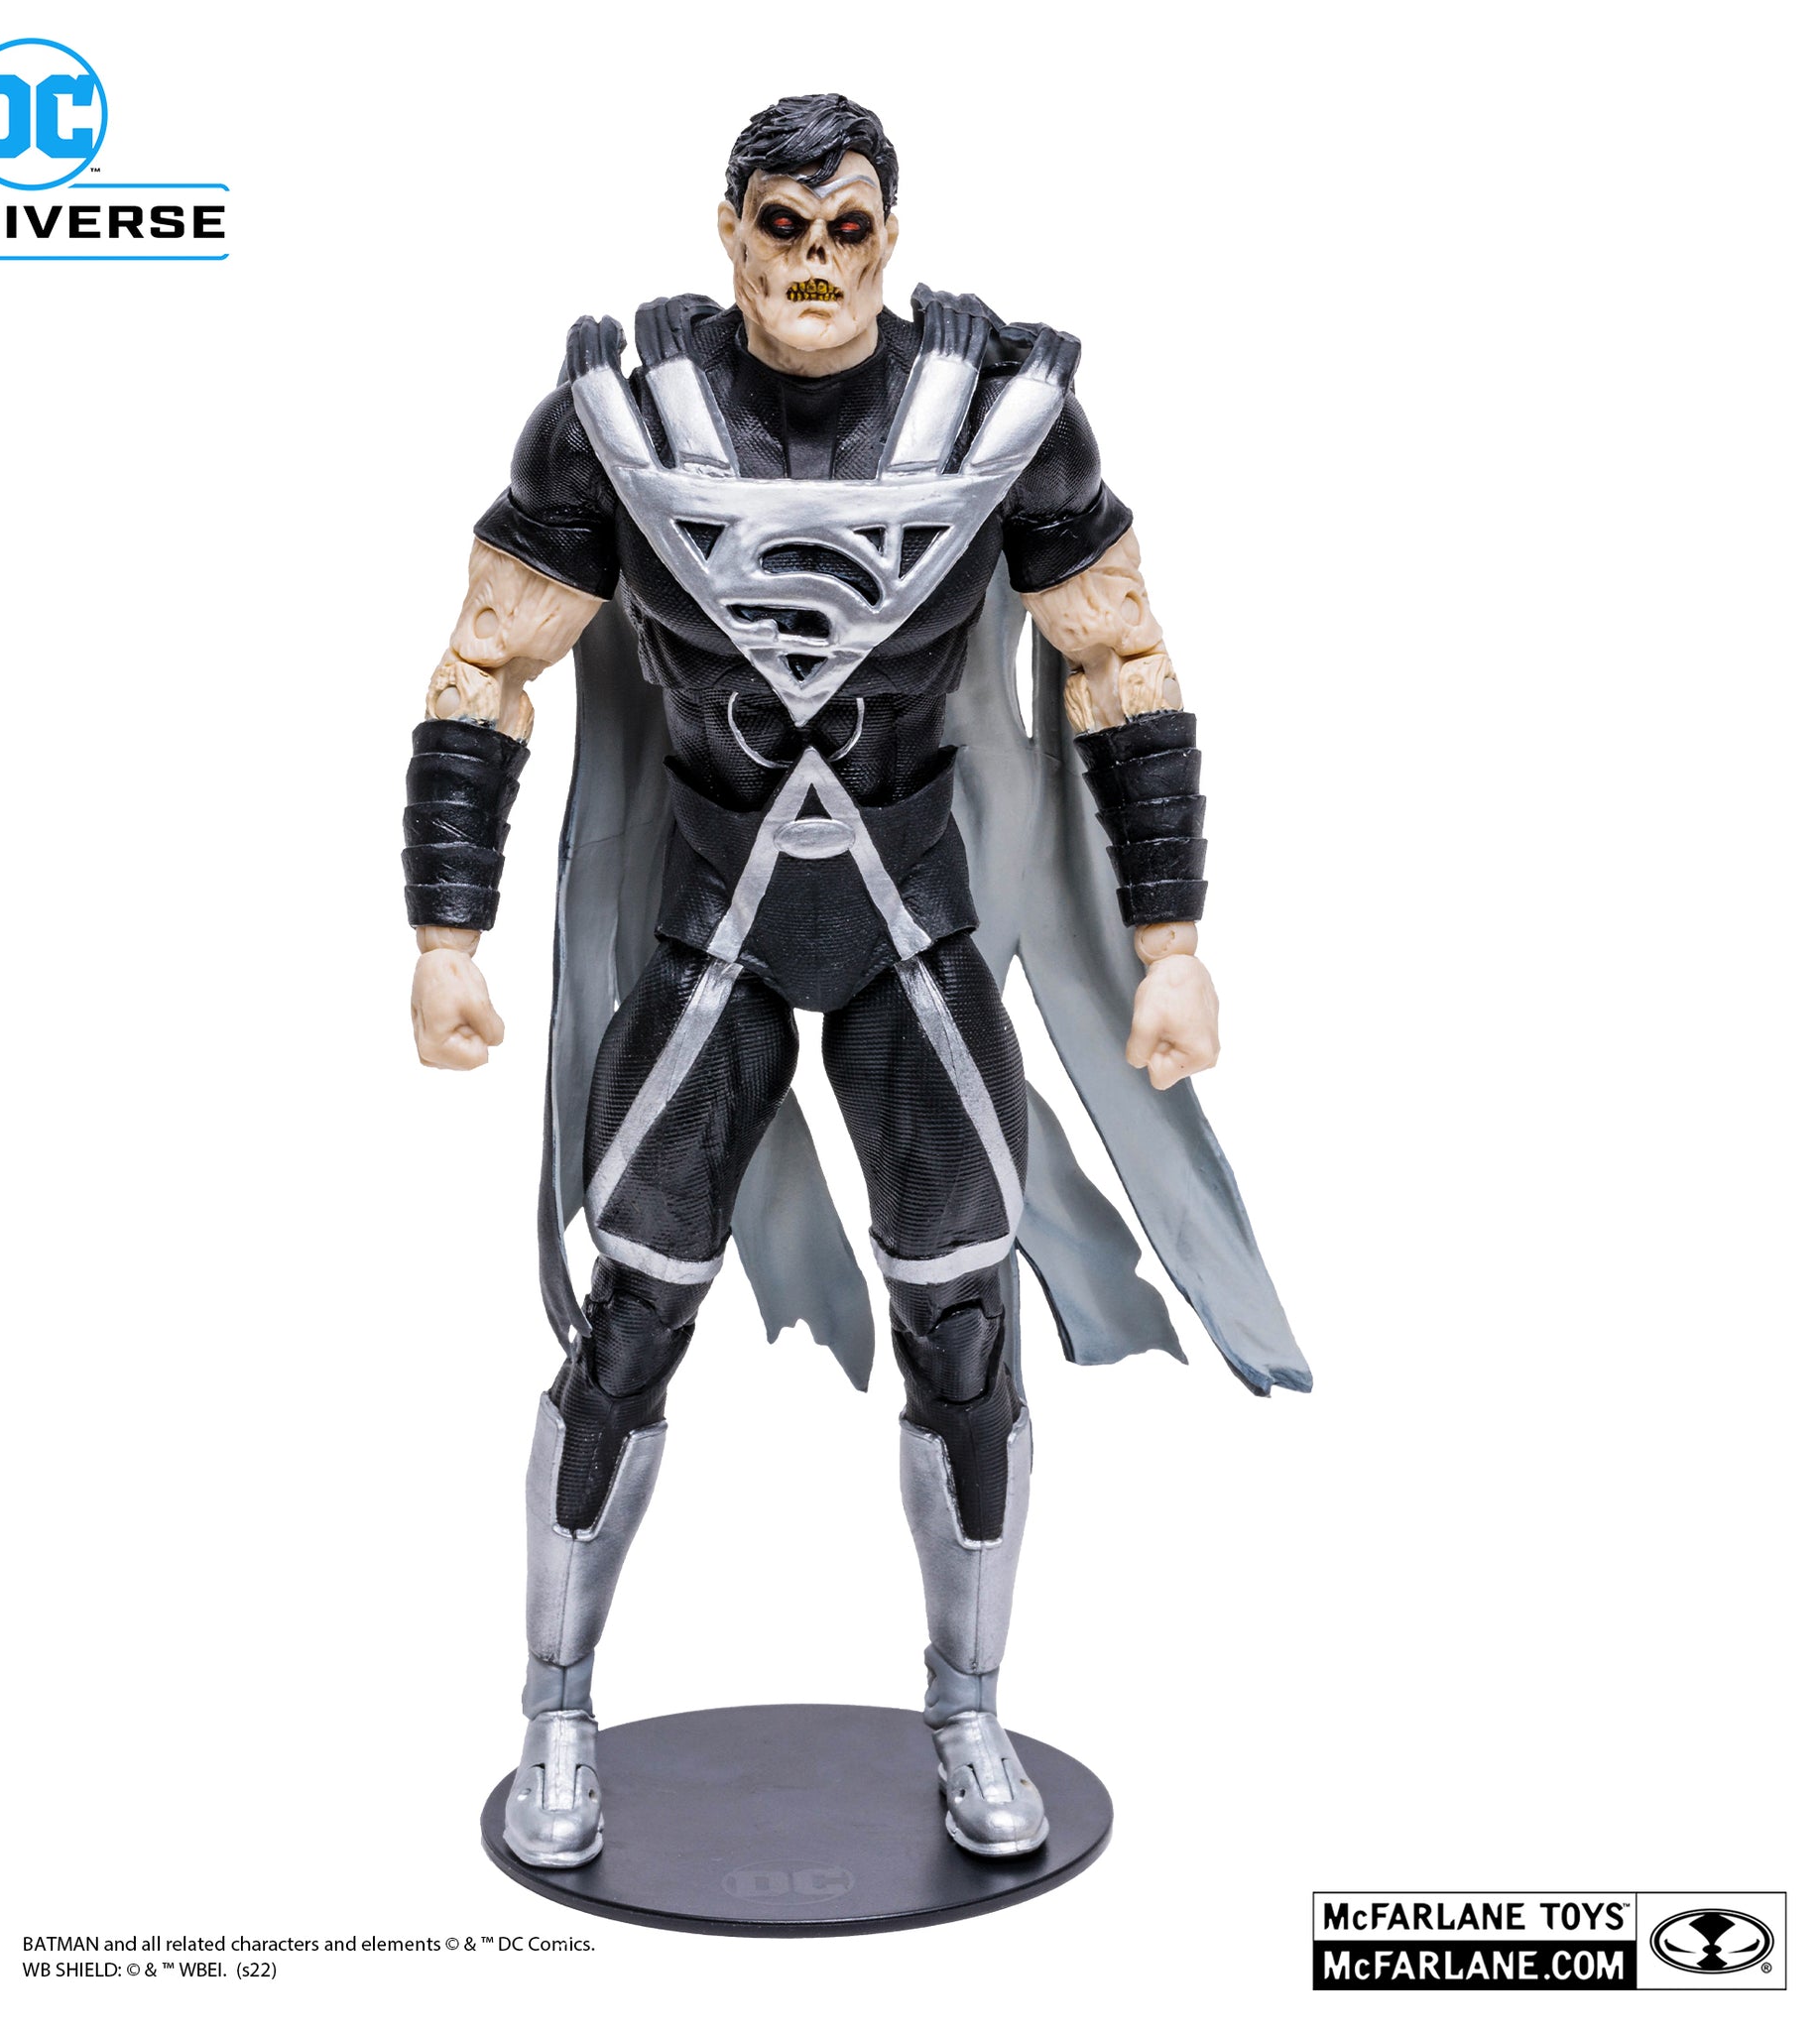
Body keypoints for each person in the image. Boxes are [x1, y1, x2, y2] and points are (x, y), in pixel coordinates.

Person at [403, 93, 1293, 1868]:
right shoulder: (619, 425)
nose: (816, 262)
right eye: (785, 228)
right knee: (629, 1319)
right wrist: (445, 932)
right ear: (730, 233)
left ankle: (966, 1711)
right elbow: (483, 667)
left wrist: (1175, 941)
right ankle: (556, 1712)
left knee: (962, 1325)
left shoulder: (996, 419)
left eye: (850, 229)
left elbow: (1123, 659)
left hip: (914, 932)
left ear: (891, 238)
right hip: (710, 928)